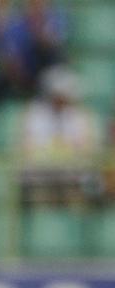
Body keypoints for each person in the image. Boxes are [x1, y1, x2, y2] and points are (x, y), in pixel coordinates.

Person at [18, 65, 103, 205]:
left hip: (71, 179)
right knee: (41, 205)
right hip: (40, 180)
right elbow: (29, 150)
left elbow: (85, 149)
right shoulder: (33, 114)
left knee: (77, 205)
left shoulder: (79, 116)